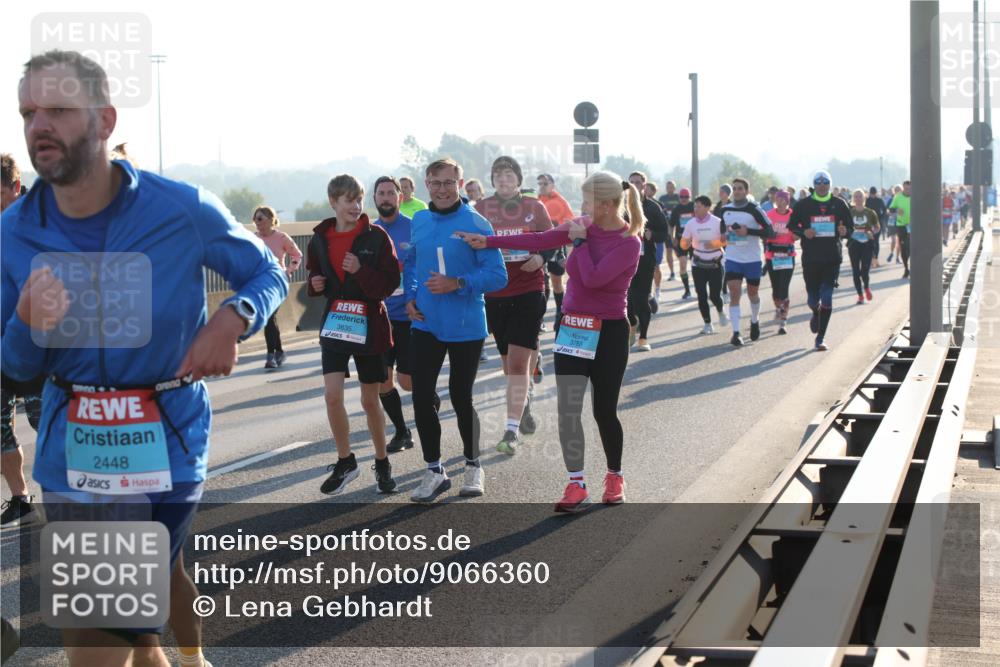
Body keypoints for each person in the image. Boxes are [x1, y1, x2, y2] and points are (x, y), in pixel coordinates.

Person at [2, 50, 287, 667]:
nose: (38, 125)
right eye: (27, 113)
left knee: (132, 609)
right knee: (109, 632)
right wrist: (26, 324)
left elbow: (268, 272)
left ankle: (184, 653)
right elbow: (14, 370)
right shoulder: (13, 232)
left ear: (104, 120)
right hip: (74, 450)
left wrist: (232, 318)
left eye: (58, 109)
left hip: (170, 437)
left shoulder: (181, 208)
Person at [459, 171, 642, 512]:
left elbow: (593, 278)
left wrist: (579, 244)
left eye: (587, 201)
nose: (582, 208)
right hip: (572, 327)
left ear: (607, 205)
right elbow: (539, 239)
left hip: (609, 332)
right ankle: (576, 483)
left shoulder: (629, 242)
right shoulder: (582, 225)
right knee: (567, 410)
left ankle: (614, 476)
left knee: (604, 411)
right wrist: (488, 241)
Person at [403, 158, 507, 503]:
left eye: (449, 183)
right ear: (427, 185)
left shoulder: (477, 222)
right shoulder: (420, 220)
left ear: (460, 185)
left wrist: (458, 283)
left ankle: (473, 465)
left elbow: (498, 276)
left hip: (466, 324)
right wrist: (410, 296)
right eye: (436, 183)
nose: (443, 189)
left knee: (460, 396)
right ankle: (434, 471)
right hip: (426, 322)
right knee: (421, 396)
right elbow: (412, 263)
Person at [306, 174, 399, 496]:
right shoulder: (320, 238)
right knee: (332, 395)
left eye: (359, 199)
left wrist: (361, 269)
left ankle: (382, 461)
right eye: (349, 200)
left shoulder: (376, 237)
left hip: (369, 325)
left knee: (370, 400)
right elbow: (315, 273)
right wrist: (315, 284)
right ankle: (346, 461)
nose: (356, 206)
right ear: (333, 202)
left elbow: (389, 284)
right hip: (335, 323)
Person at [475, 156, 553, 454]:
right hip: (496, 293)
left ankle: (510, 431)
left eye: (509, 175)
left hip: (529, 290)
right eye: (498, 175)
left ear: (519, 180)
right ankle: (525, 398)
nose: (504, 180)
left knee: (519, 363)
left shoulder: (534, 207)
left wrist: (542, 257)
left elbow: (553, 241)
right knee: (509, 364)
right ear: (492, 181)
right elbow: (472, 245)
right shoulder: (482, 209)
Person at [369, 176, 433, 454]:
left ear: (400, 197)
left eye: (390, 193)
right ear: (375, 198)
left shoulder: (414, 227)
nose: (385, 198)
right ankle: (402, 431)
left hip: (409, 315)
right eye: (381, 193)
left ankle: (427, 395)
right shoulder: (370, 232)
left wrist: (415, 297)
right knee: (383, 381)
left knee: (407, 382)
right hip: (380, 316)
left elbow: (423, 265)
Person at [1, 152, 43, 528]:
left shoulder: (42, 221)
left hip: (42, 347)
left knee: (48, 423)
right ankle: (21, 498)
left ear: (16, 186)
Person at [787, 169, 853, 351]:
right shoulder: (804, 204)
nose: (822, 186)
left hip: (832, 258)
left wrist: (845, 231)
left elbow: (850, 228)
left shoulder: (839, 204)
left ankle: (820, 338)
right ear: (814, 185)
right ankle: (816, 312)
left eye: (825, 183)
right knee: (812, 299)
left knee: (827, 297)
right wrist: (804, 232)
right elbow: (791, 226)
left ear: (830, 184)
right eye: (818, 183)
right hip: (811, 258)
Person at [718, 178, 773, 346]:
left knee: (752, 294)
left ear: (747, 191)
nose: (737, 191)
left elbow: (770, 232)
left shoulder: (754, 209)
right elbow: (722, 227)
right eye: (734, 188)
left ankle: (755, 320)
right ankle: (736, 333)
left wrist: (748, 231)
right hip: (733, 258)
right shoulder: (725, 209)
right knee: (734, 293)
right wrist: (722, 235)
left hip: (752, 259)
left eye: (740, 188)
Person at [252, 205, 302, 369]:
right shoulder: (253, 238)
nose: (257, 222)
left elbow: (297, 255)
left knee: (269, 316)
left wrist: (289, 271)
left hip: (277, 282)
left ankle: (270, 356)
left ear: (271, 219)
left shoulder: (281, 238)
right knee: (269, 318)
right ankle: (279, 351)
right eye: (255, 219)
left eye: (260, 218)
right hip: (260, 283)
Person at [626, 171, 668, 351]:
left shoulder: (653, 207)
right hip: (624, 260)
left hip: (645, 260)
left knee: (641, 299)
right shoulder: (621, 207)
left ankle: (643, 338)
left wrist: (653, 234)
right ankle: (632, 324)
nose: (634, 185)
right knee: (627, 299)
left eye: (638, 182)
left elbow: (664, 233)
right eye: (631, 182)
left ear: (644, 185)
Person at [680, 195, 727, 334]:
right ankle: (707, 324)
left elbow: (726, 240)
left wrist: (714, 244)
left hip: (716, 262)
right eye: (695, 206)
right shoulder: (690, 223)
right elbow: (683, 243)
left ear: (707, 207)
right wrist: (685, 244)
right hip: (698, 263)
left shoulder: (717, 222)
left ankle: (720, 311)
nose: (695, 209)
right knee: (701, 295)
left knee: (714, 295)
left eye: (699, 206)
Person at [537, 173, 575, 332]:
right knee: (541, 282)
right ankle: (539, 319)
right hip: (539, 245)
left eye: (545, 183)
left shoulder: (560, 201)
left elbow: (571, 223)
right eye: (539, 183)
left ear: (552, 185)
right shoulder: (536, 201)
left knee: (557, 282)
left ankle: (560, 312)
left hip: (556, 246)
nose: (542, 186)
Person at [764, 190, 796, 334]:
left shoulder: (793, 215)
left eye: (783, 200)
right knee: (776, 289)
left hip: (788, 255)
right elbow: (763, 232)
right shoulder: (769, 215)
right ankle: (778, 308)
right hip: (772, 255)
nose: (780, 202)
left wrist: (796, 236)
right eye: (778, 199)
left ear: (787, 201)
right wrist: (769, 235)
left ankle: (783, 320)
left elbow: (797, 233)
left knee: (784, 288)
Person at [847, 188, 880, 304]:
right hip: (853, 244)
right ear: (853, 198)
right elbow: (845, 227)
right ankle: (860, 295)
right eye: (856, 196)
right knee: (856, 271)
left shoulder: (870, 212)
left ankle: (866, 287)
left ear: (864, 197)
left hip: (867, 244)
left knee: (865, 270)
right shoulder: (849, 212)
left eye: (860, 196)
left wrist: (872, 232)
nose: (858, 198)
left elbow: (877, 227)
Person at [667, 187, 695, 300]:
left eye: (686, 197)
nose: (684, 199)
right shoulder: (677, 209)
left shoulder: (694, 206)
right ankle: (687, 290)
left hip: (695, 240)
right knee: (682, 265)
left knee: (696, 265)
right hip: (682, 240)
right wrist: (672, 237)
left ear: (690, 197)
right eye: (682, 197)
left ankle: (699, 287)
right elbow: (671, 225)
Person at [656, 180, 681, 287]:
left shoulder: (678, 197)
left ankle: (682, 268)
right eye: (667, 187)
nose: (669, 189)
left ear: (674, 188)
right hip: (666, 228)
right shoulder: (662, 198)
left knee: (679, 251)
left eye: (671, 187)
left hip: (677, 227)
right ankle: (672, 272)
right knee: (669, 250)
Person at [889, 180, 912, 278]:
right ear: (903, 188)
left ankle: (912, 266)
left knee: (910, 247)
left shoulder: (915, 196)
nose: (908, 190)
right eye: (906, 188)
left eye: (910, 189)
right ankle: (906, 268)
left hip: (913, 225)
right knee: (903, 248)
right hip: (901, 225)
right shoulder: (898, 197)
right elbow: (891, 209)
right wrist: (897, 210)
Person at [865, 186, 886, 267]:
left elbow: (884, 209)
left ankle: (876, 258)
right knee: (869, 241)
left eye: (873, 194)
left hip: (877, 223)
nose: (872, 195)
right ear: (870, 193)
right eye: (871, 194)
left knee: (876, 241)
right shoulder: (867, 200)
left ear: (875, 193)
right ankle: (871, 259)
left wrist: (882, 217)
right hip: (868, 223)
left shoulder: (879, 200)